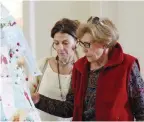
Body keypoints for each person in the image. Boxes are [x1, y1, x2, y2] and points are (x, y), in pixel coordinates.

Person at [32, 16, 144, 121]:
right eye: (82, 44)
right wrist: (39, 100)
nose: (84, 50)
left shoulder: (128, 65)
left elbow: (141, 111)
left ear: (105, 43)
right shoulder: (79, 67)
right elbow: (70, 108)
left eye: (87, 44)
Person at [30, 18, 79, 121]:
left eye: (65, 43)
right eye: (56, 43)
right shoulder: (42, 65)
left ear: (76, 42)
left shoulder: (81, 72)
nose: (60, 48)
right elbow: (26, 95)